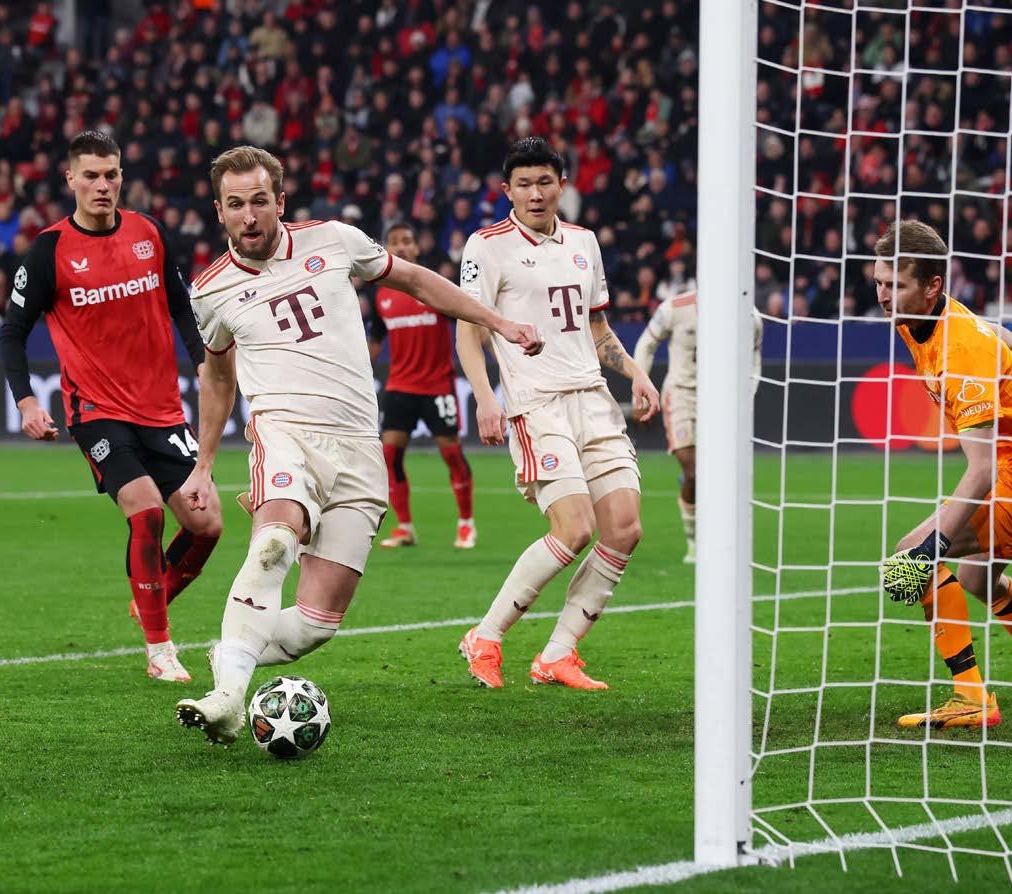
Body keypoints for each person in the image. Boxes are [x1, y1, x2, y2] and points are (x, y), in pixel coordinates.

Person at [174, 146, 542, 746]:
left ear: (280, 202)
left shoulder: (334, 240)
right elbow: (217, 377)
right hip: (284, 433)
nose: (249, 215)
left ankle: (234, 649)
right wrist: (205, 463)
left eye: (260, 201)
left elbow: (415, 279)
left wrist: (496, 323)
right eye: (235, 204)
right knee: (274, 542)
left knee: (315, 624)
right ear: (219, 211)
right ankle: (228, 699)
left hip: (357, 448)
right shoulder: (210, 290)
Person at [0, 130, 223, 683]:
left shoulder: (149, 232)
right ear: (70, 179)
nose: (103, 185)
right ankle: (159, 648)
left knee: (207, 524)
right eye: (91, 176)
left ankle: (151, 596)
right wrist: (26, 401)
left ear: (122, 176)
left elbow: (181, 306)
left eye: (111, 174)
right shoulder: (49, 250)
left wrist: (202, 361)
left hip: (163, 409)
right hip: (96, 411)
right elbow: (13, 332)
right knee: (146, 512)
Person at [455, 137, 660, 691]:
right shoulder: (486, 246)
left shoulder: (584, 242)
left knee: (625, 528)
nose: (535, 193)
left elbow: (596, 327)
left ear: (561, 185)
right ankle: (486, 636)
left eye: (545, 181)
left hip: (592, 399)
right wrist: (486, 397)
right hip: (536, 404)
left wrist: (636, 372)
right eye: (524, 184)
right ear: (507, 191)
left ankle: (558, 653)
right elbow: (468, 330)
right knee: (574, 528)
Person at [877, 220, 1012, 728]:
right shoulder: (919, 318)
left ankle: (972, 699)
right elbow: (995, 330)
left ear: (932, 286)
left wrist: (930, 548)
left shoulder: (961, 354)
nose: (884, 296)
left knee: (911, 555)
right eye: (880, 283)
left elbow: (981, 470)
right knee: (977, 576)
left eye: (896, 285)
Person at [633, 288, 763, 563]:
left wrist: (747, 398)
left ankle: (718, 536)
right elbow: (646, 344)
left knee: (719, 475)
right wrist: (640, 394)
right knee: (693, 472)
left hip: (723, 400)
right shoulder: (675, 308)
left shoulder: (749, 316)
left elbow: (753, 360)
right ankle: (695, 543)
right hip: (681, 395)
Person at [368, 220, 476, 550]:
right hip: (399, 386)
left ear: (417, 247)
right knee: (390, 455)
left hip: (437, 386)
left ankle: (466, 524)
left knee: (452, 453)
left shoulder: (433, 286)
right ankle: (404, 528)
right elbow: (375, 340)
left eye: (407, 241)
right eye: (394, 241)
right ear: (386, 249)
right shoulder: (381, 293)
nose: (400, 247)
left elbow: (467, 322)